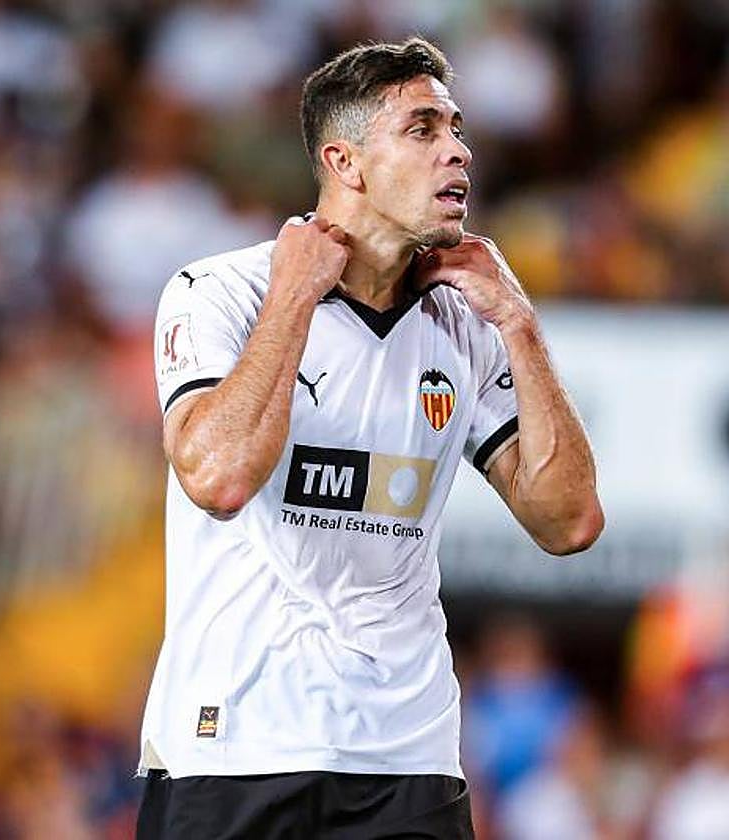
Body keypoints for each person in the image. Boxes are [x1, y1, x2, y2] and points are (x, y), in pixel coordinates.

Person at [135, 37, 603, 839]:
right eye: (423, 129)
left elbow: (570, 522)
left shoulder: (467, 320)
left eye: (456, 129)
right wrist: (294, 297)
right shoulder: (220, 291)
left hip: (406, 756)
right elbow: (217, 478)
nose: (458, 151)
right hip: (235, 746)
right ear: (344, 163)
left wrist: (519, 323)